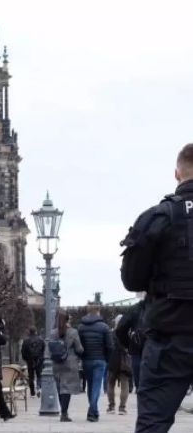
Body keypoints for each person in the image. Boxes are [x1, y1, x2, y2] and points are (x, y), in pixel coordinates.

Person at [121, 143, 193, 432]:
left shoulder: (157, 217)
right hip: (168, 334)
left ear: (177, 174)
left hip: (169, 337)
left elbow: (132, 281)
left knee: (153, 424)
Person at [77, 304, 113, 422]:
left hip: (86, 360)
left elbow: (79, 346)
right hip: (100, 360)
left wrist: (82, 357)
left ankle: (94, 411)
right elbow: (110, 346)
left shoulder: (81, 327)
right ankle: (92, 412)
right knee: (96, 387)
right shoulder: (104, 327)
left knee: (90, 386)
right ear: (98, 312)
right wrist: (107, 359)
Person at [53, 311, 84, 422]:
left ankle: (63, 412)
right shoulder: (73, 332)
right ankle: (64, 413)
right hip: (69, 363)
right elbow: (79, 348)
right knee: (67, 389)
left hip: (56, 363)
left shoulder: (53, 333)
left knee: (60, 387)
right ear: (67, 320)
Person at [115, 298, 146, 390]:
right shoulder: (165, 305)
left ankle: (139, 387)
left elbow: (120, 328)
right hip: (158, 345)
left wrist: (127, 344)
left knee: (137, 370)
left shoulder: (135, 309)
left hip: (137, 345)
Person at [106, 315, 132, 416]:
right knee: (125, 385)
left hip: (113, 360)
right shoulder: (127, 334)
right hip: (124, 361)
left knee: (110, 383)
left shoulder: (111, 333)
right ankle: (122, 408)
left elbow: (108, 346)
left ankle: (111, 406)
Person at [20, 327, 45, 397]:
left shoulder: (26, 341)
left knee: (31, 376)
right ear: (36, 332)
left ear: (29, 332)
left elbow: (23, 351)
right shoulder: (41, 340)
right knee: (39, 375)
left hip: (30, 360)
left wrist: (26, 359)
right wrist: (41, 357)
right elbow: (43, 349)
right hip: (39, 360)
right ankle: (39, 387)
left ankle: (32, 392)